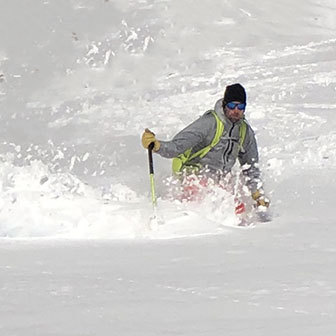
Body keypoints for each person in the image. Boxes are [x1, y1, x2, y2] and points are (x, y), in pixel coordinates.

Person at [142, 83, 270, 210]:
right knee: (212, 202)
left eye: (240, 106)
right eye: (232, 105)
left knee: (237, 209)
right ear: (225, 105)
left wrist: (257, 193)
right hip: (193, 174)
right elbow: (177, 146)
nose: (236, 110)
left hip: (218, 180)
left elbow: (251, 167)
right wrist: (156, 145)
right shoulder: (209, 123)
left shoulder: (244, 132)